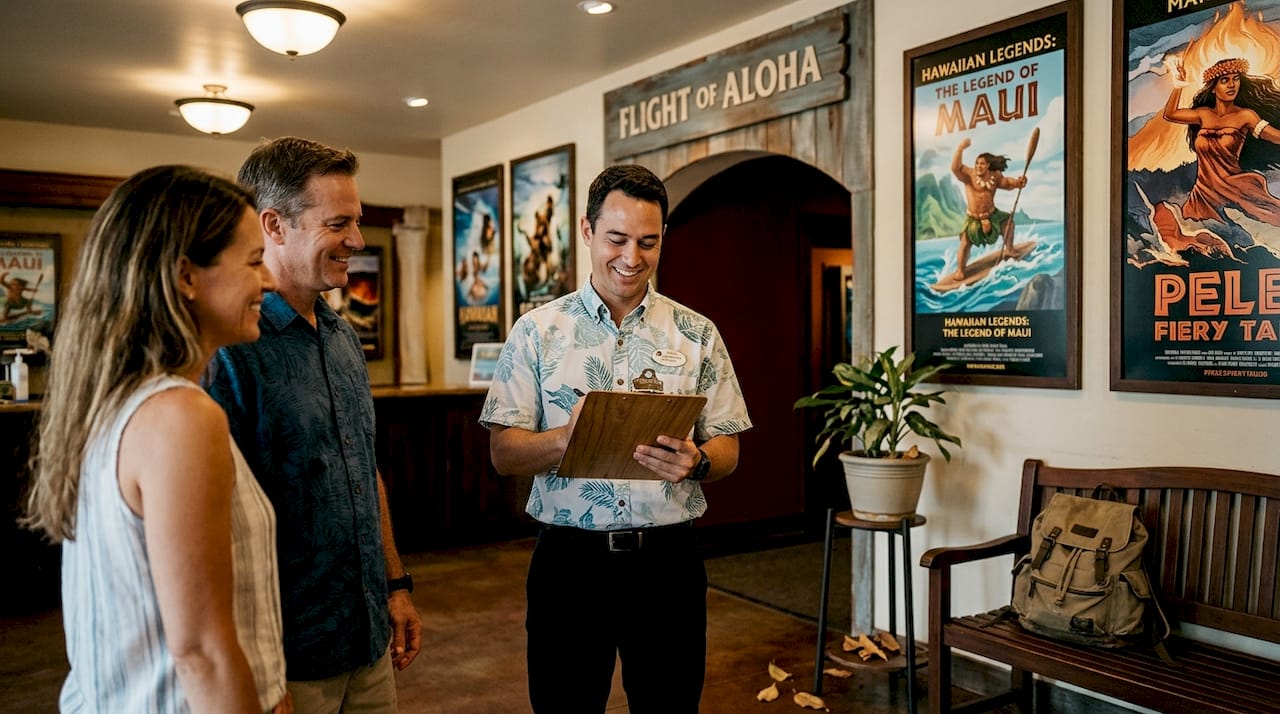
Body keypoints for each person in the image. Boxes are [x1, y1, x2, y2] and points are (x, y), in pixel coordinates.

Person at [480, 163, 752, 714]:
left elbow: (729, 446)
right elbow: (503, 453)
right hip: (570, 566)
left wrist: (698, 461)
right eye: (617, 239)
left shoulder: (698, 333)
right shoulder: (536, 332)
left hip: (668, 567)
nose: (632, 257)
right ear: (586, 231)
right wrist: (566, 440)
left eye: (648, 242)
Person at [22, 165, 289, 712]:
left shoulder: (112, 401)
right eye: (254, 262)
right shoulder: (180, 416)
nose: (270, 282)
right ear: (186, 276)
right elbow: (202, 652)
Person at [208, 137, 422, 713]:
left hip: (366, 636)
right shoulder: (230, 350)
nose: (356, 239)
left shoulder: (342, 335)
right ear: (273, 226)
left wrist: (395, 585)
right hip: (287, 656)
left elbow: (361, 467)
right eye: (339, 223)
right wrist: (251, 662)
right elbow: (212, 521)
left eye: (358, 221)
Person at [1163, 57, 1280, 225]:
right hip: (1203, 193)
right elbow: (1170, 114)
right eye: (1225, 80)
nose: (1232, 85)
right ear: (1213, 88)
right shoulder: (1203, 114)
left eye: (1236, 79)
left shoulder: (1246, 116)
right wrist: (1178, 85)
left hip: (1236, 189)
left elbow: (1275, 136)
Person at [949, 137, 1028, 280]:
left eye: (982, 164)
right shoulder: (969, 175)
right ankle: (961, 270)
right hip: (973, 218)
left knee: (1009, 223)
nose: (979, 166)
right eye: (977, 163)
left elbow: (1006, 183)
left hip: (992, 214)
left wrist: (1018, 183)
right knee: (965, 242)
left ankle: (1010, 249)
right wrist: (960, 148)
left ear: (988, 165)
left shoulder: (995, 176)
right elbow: (955, 168)